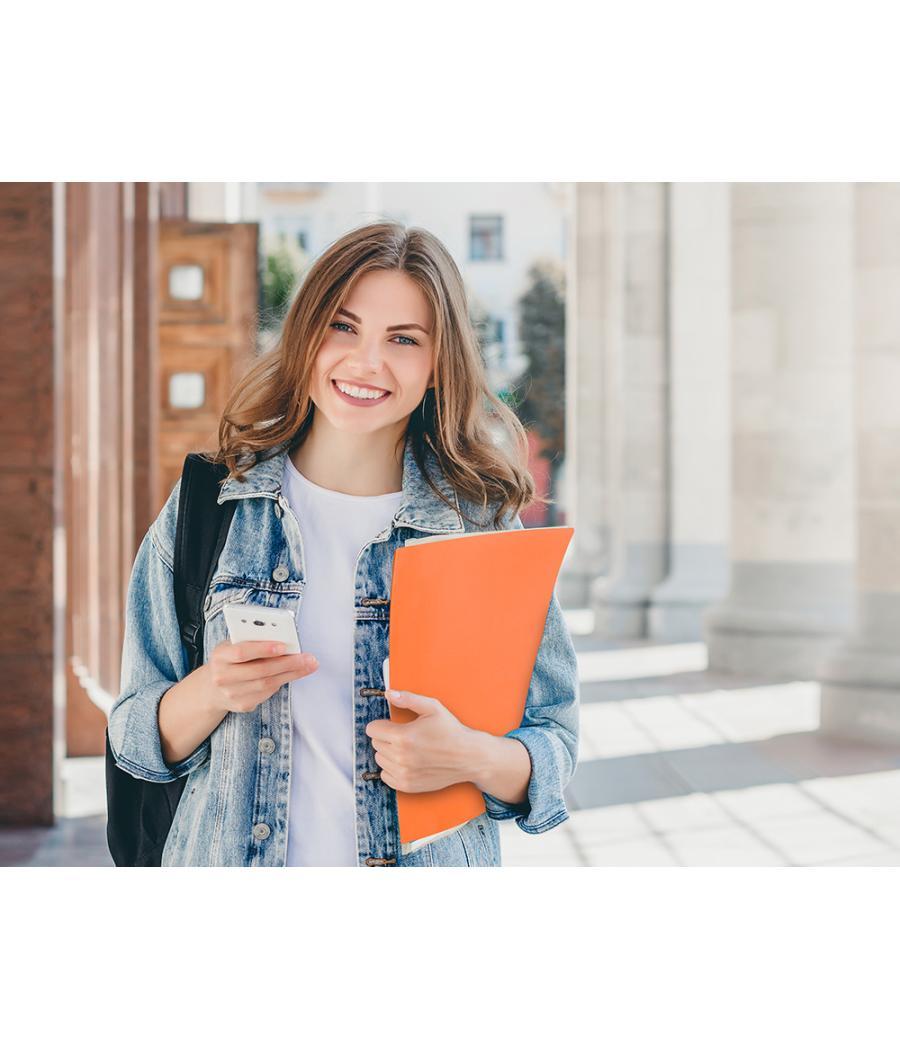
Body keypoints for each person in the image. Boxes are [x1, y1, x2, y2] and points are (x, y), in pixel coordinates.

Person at [107, 220, 580, 867]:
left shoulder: (479, 524)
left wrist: (474, 757)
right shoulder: (211, 505)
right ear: (306, 334)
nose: (366, 362)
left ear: (439, 364)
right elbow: (132, 733)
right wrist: (211, 690)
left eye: (404, 339)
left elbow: (554, 740)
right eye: (343, 326)